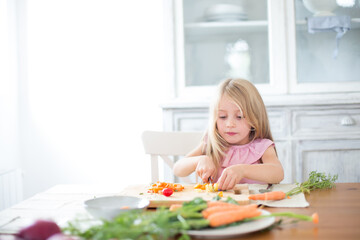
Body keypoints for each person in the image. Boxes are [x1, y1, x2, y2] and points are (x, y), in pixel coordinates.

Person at [173, 78, 284, 190]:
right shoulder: (212, 144)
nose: (230, 124)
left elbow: (278, 173)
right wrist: (200, 160)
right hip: (216, 205)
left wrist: (242, 170)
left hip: (254, 205)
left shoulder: (262, 147)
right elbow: (177, 169)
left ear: (255, 117)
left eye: (239, 117)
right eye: (222, 117)